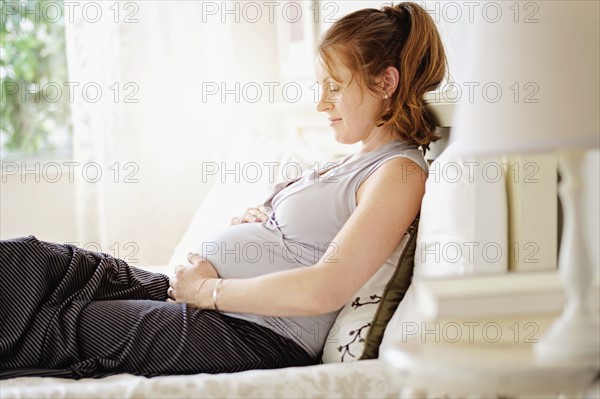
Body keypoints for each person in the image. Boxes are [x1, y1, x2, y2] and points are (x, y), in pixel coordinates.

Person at [0, 2, 446, 379]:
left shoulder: (399, 174)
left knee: (67, 323)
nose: (321, 103)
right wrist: (263, 222)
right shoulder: (351, 160)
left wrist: (207, 293)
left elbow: (324, 288)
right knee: (40, 264)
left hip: (254, 336)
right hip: (210, 304)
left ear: (386, 83)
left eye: (334, 87)